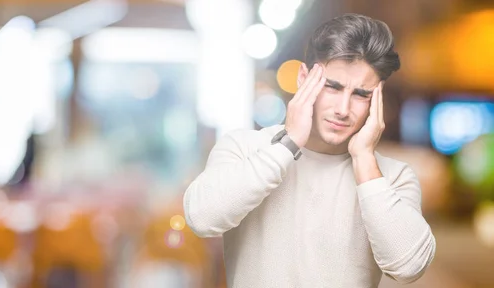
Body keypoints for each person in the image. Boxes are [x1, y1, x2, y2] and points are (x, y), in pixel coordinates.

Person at [183, 13, 436, 288]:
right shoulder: (244, 148)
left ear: (377, 98)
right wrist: (288, 143)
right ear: (304, 78)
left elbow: (409, 267)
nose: (343, 108)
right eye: (332, 87)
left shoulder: (392, 177)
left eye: (361, 94)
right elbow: (201, 219)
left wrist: (364, 160)